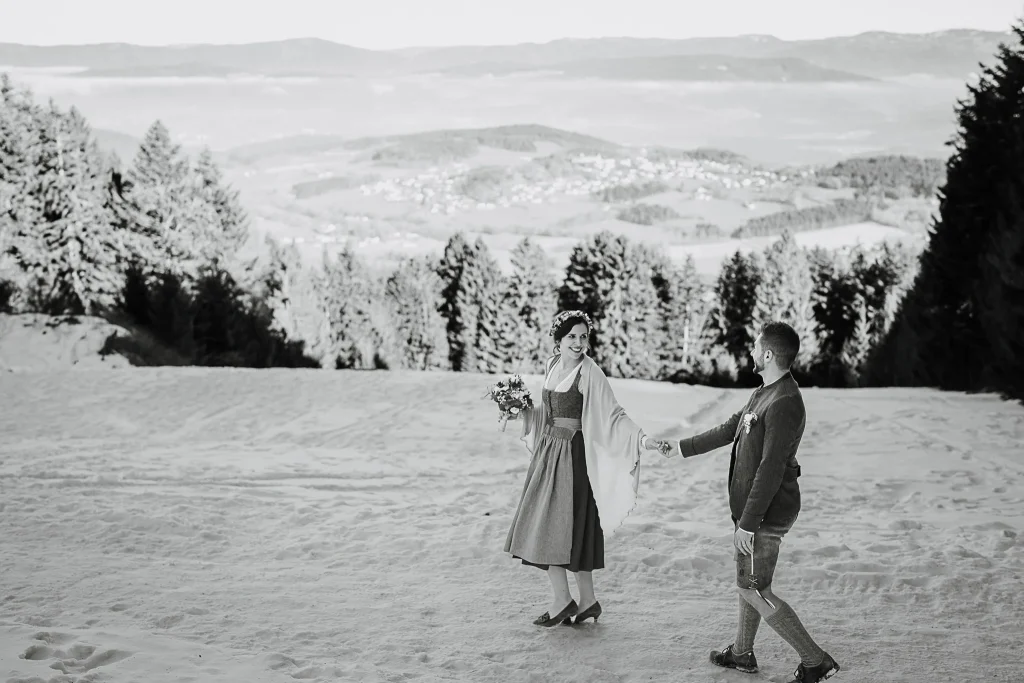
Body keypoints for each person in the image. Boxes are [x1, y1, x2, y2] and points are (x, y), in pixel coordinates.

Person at [658, 322, 841, 683]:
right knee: (749, 581)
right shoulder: (765, 392)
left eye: (756, 347)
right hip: (752, 512)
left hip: (765, 514)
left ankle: (815, 660)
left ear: (769, 354)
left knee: (753, 587)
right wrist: (679, 448)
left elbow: (771, 469)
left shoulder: (786, 402)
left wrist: (748, 523)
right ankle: (741, 653)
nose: (751, 353)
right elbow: (730, 429)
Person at [504, 310, 664, 627]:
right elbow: (547, 413)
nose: (578, 343)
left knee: (565, 526)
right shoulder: (551, 366)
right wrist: (518, 411)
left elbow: (614, 415)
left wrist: (644, 441)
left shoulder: (590, 373)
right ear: (558, 341)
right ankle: (586, 601)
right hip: (548, 454)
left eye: (583, 336)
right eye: (571, 337)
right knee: (555, 524)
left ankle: (565, 601)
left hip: (574, 458)